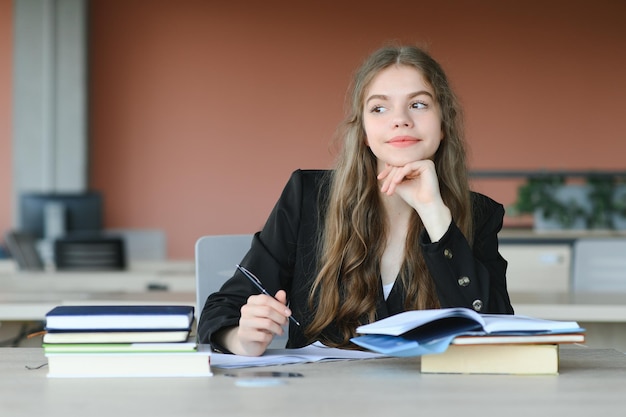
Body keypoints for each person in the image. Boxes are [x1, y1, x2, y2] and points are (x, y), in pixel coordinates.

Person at [198, 44, 514, 356]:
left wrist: (434, 213)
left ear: (443, 123)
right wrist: (243, 338)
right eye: (379, 108)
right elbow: (222, 310)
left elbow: (495, 327)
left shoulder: (479, 213)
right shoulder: (308, 196)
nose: (400, 119)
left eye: (418, 105)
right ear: (363, 131)